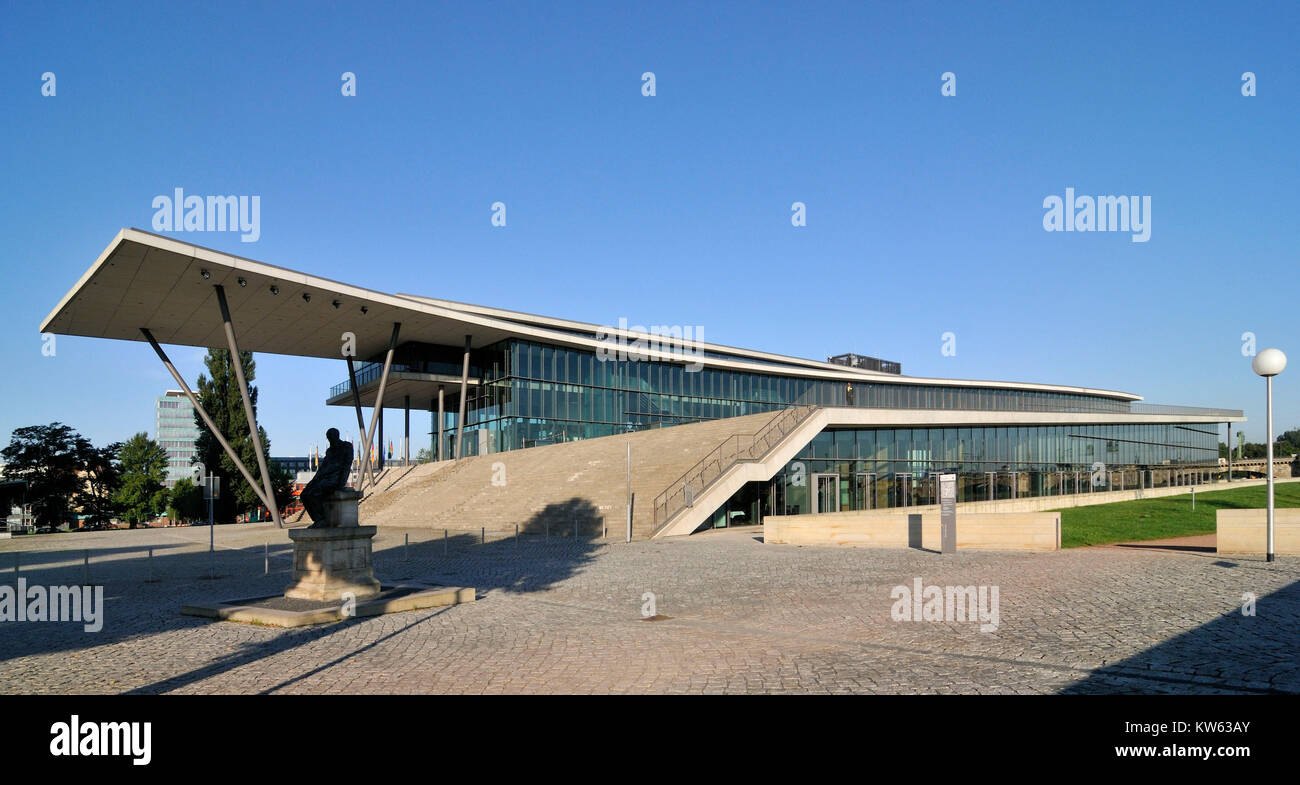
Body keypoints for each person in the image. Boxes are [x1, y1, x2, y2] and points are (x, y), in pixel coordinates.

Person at [300, 428, 354, 527]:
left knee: (314, 492)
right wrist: (313, 480)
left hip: (335, 479)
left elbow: (347, 465)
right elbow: (322, 468)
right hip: (324, 477)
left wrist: (341, 483)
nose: (330, 440)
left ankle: (322, 519)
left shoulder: (346, 447)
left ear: (336, 437)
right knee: (304, 494)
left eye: (331, 438)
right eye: (329, 438)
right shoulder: (329, 451)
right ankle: (317, 519)